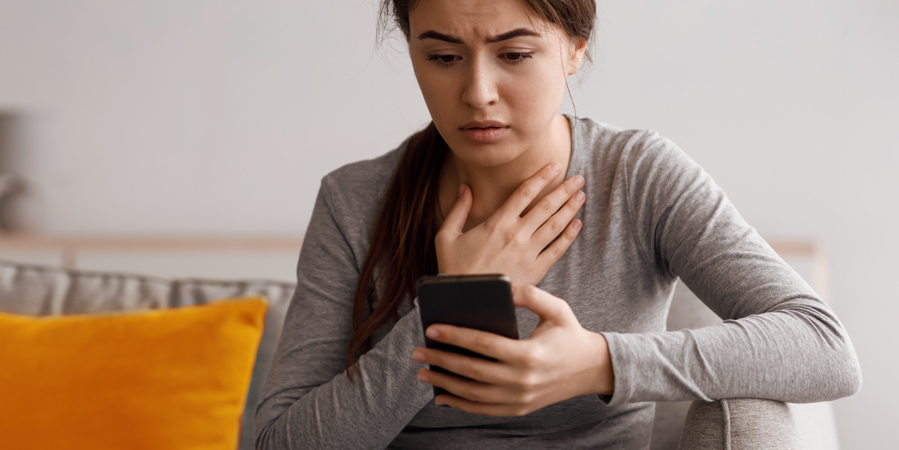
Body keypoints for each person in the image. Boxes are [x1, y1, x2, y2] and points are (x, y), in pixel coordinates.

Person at [255, 0, 862, 448]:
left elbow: (824, 348)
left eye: (515, 54)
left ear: (575, 48)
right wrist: (449, 307)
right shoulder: (353, 199)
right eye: (442, 57)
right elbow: (281, 441)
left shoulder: (637, 175)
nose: (478, 93)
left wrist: (598, 363)